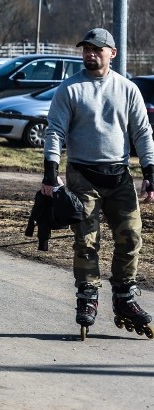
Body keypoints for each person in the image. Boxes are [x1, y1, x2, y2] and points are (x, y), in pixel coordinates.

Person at [42, 27, 154, 336]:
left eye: (97, 49)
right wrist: (51, 170)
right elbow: (54, 131)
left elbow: (142, 132)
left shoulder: (127, 88)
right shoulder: (70, 89)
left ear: (112, 53)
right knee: (86, 241)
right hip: (82, 175)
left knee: (131, 236)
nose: (90, 54)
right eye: (86, 49)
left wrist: (150, 171)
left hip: (119, 175)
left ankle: (124, 296)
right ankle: (88, 297)